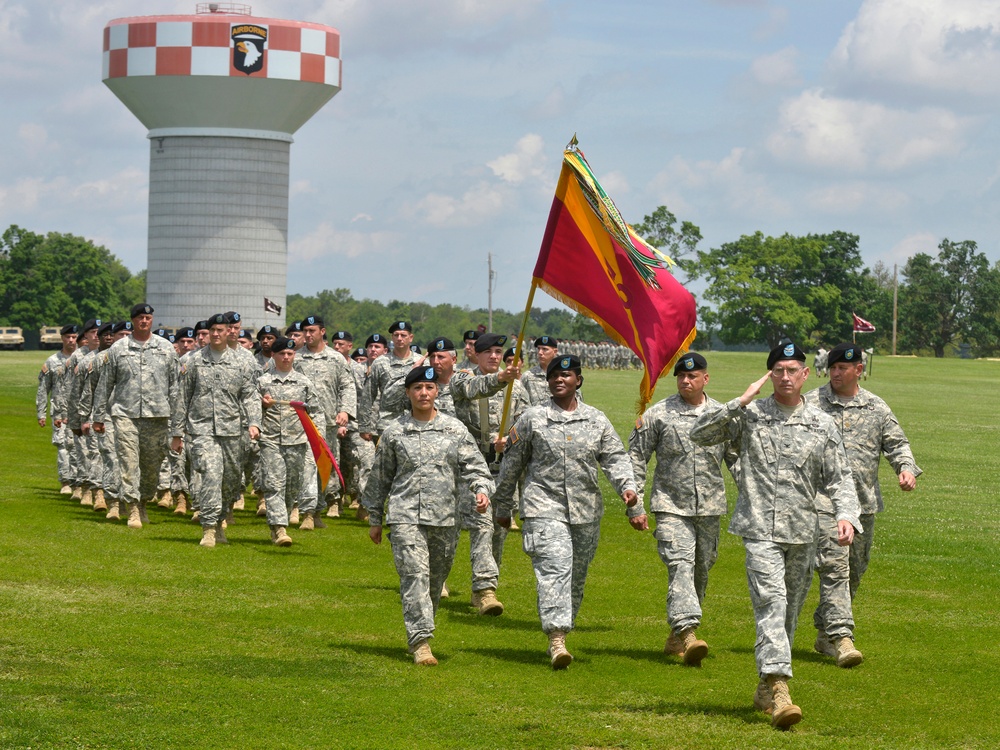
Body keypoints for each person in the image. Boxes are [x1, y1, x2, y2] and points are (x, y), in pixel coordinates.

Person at [690, 340, 861, 729]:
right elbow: (699, 434)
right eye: (778, 370)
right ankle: (782, 688)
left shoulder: (822, 423)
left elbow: (840, 477)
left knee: (788, 611)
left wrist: (847, 515)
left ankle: (765, 685)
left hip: (803, 531)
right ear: (770, 376)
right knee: (771, 601)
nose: (785, 377)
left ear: (805, 374)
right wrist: (739, 401)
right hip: (759, 529)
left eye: (792, 370)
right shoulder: (750, 416)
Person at [494, 355, 643, 669]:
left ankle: (563, 627)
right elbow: (511, 466)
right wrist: (504, 506)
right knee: (555, 570)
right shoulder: (532, 418)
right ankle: (556, 638)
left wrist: (628, 491)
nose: (559, 380)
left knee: (576, 578)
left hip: (585, 511)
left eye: (566, 375)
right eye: (553, 376)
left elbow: (615, 459)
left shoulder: (596, 420)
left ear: (578, 380)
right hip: (542, 507)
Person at [362, 366, 494, 666]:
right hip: (404, 515)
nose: (423, 393)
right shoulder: (395, 432)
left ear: (437, 392)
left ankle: (423, 625)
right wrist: (374, 517)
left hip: (445, 517)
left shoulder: (454, 429)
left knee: (435, 580)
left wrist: (482, 490)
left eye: (429, 388)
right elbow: (380, 477)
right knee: (415, 576)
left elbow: (475, 466)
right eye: (418, 388)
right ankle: (421, 641)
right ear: (408, 393)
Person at [804, 342, 922, 667]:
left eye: (844, 367)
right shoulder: (810, 404)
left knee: (854, 571)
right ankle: (842, 639)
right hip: (821, 503)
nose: (837, 372)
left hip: (863, 505)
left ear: (859, 370)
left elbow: (896, 443)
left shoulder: (876, 407)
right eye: (833, 367)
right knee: (836, 568)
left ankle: (825, 634)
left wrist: (906, 469)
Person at [628, 352, 738, 666]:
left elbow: (737, 461)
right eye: (681, 376)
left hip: (709, 507)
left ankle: (675, 636)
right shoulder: (658, 414)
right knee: (680, 565)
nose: (686, 381)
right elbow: (636, 457)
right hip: (670, 506)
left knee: (700, 571)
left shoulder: (721, 415)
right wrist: (634, 505)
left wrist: (754, 496)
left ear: (706, 378)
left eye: (693, 376)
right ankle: (689, 634)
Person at [451, 332, 529, 615]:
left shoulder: (517, 390)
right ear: (476, 355)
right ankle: (485, 589)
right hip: (472, 470)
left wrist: (511, 439)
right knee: (481, 525)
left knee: (499, 529)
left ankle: (482, 586)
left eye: (499, 352)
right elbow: (475, 389)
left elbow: (526, 425)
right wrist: (500, 379)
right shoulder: (462, 378)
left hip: (503, 469)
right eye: (489, 352)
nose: (495, 357)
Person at [170, 313, 262, 548]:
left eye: (222, 330)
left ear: (229, 331)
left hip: (233, 431)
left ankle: (221, 518)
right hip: (202, 430)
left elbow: (250, 395)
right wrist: (177, 434)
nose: (217, 334)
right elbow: (182, 397)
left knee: (230, 481)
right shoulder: (193, 361)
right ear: (208, 333)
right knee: (211, 474)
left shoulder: (242, 361)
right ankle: (209, 528)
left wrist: (254, 422)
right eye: (213, 330)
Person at [94, 304, 179, 529]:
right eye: (140, 317)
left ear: (152, 320)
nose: (144, 321)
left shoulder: (166, 348)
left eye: (148, 317)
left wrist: (178, 423)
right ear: (133, 320)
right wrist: (99, 416)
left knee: (151, 467)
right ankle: (131, 507)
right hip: (125, 414)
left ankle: (143, 501)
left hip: (158, 416)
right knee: (129, 462)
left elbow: (175, 387)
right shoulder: (118, 348)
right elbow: (105, 384)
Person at [258, 336, 318, 547]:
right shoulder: (263, 381)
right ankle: (278, 528)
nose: (286, 357)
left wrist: (315, 438)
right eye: (281, 353)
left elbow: (315, 412)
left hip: (297, 441)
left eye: (290, 353)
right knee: (274, 484)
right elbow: (252, 410)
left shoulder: (304, 383)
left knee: (292, 486)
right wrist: (262, 407)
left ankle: (279, 519)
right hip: (270, 440)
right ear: (273, 355)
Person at [297, 315, 356, 522]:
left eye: (312, 330)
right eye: (305, 331)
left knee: (324, 467)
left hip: (329, 422)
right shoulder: (295, 358)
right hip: (301, 422)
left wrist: (345, 411)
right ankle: (305, 511)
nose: (307, 334)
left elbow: (347, 386)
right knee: (305, 466)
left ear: (322, 332)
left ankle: (317, 508)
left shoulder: (336, 358)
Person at [36, 324, 78, 494]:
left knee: (78, 447)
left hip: (79, 412)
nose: (71, 340)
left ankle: (79, 482)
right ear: (62, 338)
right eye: (68, 337)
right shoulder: (52, 361)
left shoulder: (83, 359)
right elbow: (43, 389)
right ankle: (66, 481)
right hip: (59, 412)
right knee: (62, 446)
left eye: (74, 337)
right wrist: (41, 413)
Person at [520, 335, 559, 405]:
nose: (540, 352)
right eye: (538, 349)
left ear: (555, 352)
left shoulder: (563, 375)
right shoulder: (528, 376)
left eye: (545, 349)